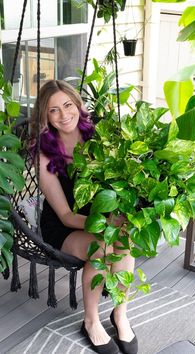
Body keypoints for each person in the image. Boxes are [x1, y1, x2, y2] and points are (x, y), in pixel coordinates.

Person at [30, 79, 138, 354]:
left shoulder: (98, 136)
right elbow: (65, 215)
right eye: (54, 110)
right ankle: (90, 322)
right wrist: (107, 225)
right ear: (46, 116)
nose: (64, 115)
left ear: (77, 104)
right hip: (65, 226)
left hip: (100, 217)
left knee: (124, 239)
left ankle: (119, 314)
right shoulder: (45, 154)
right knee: (100, 247)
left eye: (68, 105)